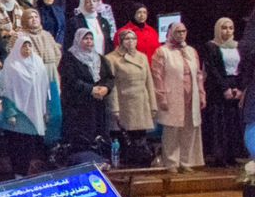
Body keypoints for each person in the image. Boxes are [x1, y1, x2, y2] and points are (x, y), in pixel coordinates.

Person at [151, 22, 204, 172]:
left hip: (191, 94)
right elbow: (157, 76)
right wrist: (161, 96)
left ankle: (186, 162)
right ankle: (171, 162)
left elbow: (198, 75)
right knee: (172, 129)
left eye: (183, 31)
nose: (181, 34)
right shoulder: (162, 51)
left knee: (190, 128)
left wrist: (201, 94)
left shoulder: (191, 51)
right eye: (177, 32)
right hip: (172, 95)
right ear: (170, 33)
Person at [59, 29, 114, 162]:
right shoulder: (69, 58)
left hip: (98, 105)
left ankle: (100, 162)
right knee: (81, 139)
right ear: (78, 40)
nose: (89, 41)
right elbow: (70, 80)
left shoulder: (100, 58)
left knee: (99, 135)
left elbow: (109, 77)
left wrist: (106, 88)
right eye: (85, 39)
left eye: (91, 39)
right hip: (78, 106)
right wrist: (91, 89)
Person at [106, 29, 158, 167]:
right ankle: (127, 165)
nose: (131, 42)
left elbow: (149, 82)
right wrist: (115, 108)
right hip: (125, 103)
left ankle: (141, 163)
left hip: (141, 101)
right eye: (127, 39)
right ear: (120, 41)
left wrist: (153, 105)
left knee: (140, 137)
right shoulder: (112, 58)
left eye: (133, 38)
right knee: (126, 138)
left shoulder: (142, 57)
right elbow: (112, 85)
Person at [0, 35, 50, 177]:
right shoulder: (11, 64)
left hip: (34, 111)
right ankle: (17, 173)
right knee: (17, 145)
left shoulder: (38, 63)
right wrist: (10, 113)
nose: (27, 48)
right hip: (17, 114)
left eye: (29, 45)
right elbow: (6, 90)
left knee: (29, 145)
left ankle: (24, 172)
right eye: (24, 46)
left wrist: (45, 110)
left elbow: (44, 88)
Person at [201, 17, 243, 167]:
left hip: (235, 85)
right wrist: (225, 88)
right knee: (219, 122)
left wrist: (239, 87)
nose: (227, 31)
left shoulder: (238, 46)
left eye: (230, 28)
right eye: (224, 28)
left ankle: (232, 155)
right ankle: (219, 156)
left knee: (233, 122)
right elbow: (212, 69)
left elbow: (242, 68)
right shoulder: (211, 46)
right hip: (217, 88)